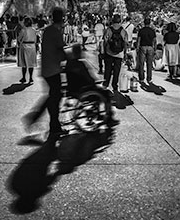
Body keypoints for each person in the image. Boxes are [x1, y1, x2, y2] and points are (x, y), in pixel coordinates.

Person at [24, 7, 66, 140]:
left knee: (52, 96)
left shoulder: (48, 30)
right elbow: (61, 50)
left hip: (46, 68)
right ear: (62, 18)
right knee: (54, 97)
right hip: (53, 69)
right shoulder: (55, 31)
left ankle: (46, 121)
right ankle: (52, 125)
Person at [65, 44, 116, 125]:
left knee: (98, 92)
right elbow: (89, 78)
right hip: (84, 89)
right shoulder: (80, 64)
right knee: (105, 94)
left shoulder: (69, 64)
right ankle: (108, 116)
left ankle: (97, 114)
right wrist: (96, 83)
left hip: (74, 90)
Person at [103, 14, 128, 91]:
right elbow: (125, 43)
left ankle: (106, 84)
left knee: (108, 69)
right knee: (117, 70)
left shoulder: (108, 30)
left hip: (109, 52)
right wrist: (125, 53)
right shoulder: (123, 31)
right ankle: (115, 85)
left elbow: (105, 41)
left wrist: (104, 51)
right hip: (119, 54)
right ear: (120, 21)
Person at [17, 17, 37, 84]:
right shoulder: (34, 30)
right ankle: (31, 77)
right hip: (32, 47)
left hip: (25, 46)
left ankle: (24, 77)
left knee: (24, 63)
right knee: (31, 63)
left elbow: (19, 38)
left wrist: (21, 42)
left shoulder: (23, 30)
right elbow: (36, 39)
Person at [137, 17, 156, 84]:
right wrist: (154, 48)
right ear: (150, 23)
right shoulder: (152, 31)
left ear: (144, 23)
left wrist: (137, 47)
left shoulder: (141, 30)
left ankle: (141, 78)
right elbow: (154, 40)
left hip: (142, 47)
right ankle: (149, 78)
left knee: (141, 63)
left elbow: (139, 39)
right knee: (149, 63)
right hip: (150, 47)